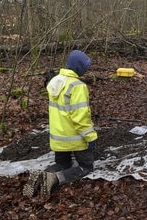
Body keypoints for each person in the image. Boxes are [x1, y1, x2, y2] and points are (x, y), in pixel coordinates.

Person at [23, 50, 98, 198]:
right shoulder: (77, 86)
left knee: (63, 164)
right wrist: (90, 137)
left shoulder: (55, 82)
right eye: (85, 67)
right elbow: (80, 117)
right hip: (75, 139)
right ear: (78, 67)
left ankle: (41, 175)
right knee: (86, 166)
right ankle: (55, 178)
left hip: (57, 139)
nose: (86, 70)